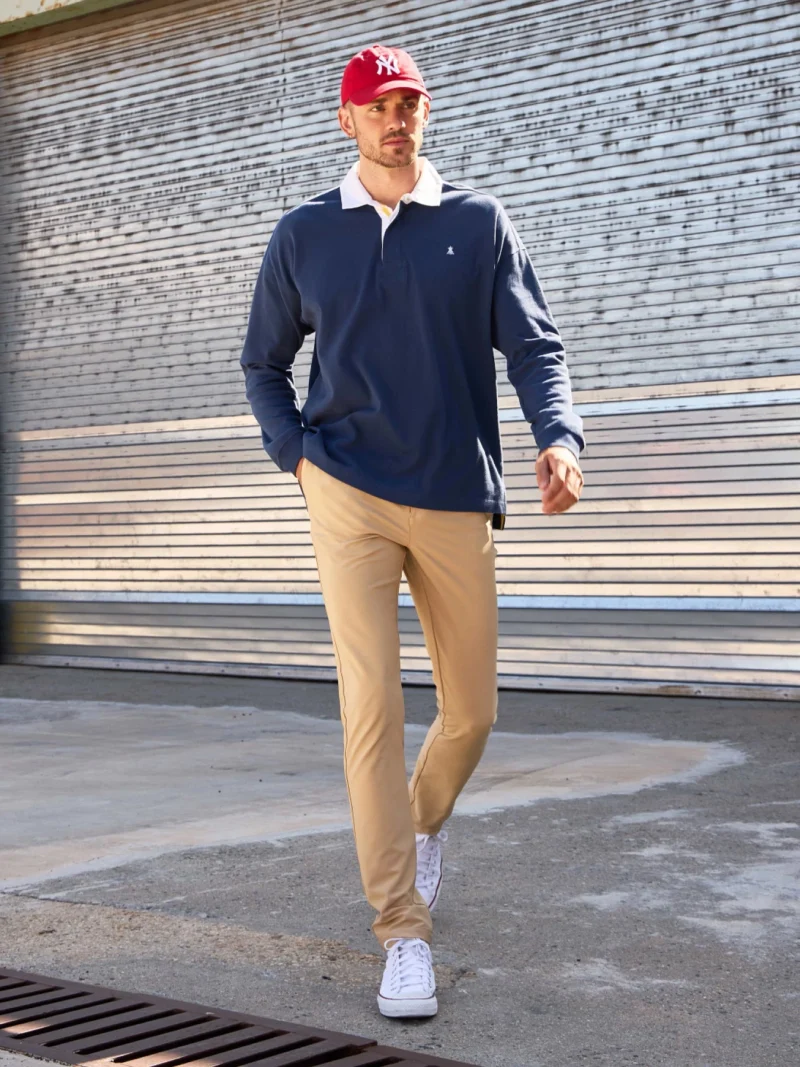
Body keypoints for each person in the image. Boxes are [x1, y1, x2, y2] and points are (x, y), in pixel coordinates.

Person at [240, 43, 585, 1019]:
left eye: (410, 103)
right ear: (346, 119)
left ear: (424, 114)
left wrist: (558, 435)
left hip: (452, 489)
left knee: (471, 710)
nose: (397, 119)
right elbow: (263, 362)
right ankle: (401, 930)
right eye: (379, 106)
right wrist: (296, 455)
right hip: (345, 489)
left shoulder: (477, 222)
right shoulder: (305, 234)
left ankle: (422, 823)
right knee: (372, 708)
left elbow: (534, 346)